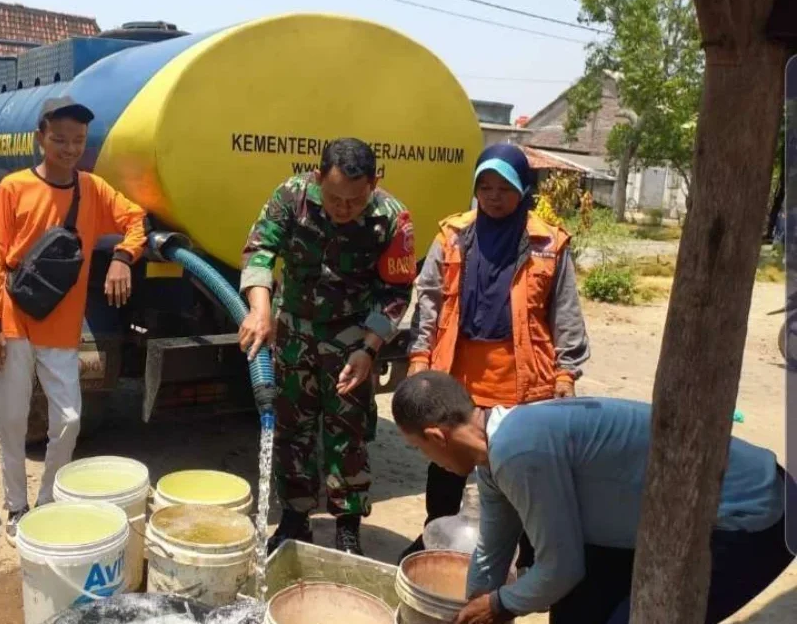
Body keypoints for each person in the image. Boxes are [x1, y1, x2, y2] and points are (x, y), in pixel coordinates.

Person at [390, 371, 793, 624]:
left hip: (749, 516)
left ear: (436, 437)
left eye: (420, 449)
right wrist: (478, 605)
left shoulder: (519, 450)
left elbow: (561, 568)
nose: (431, 462)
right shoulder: (493, 457)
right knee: (574, 612)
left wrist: (499, 606)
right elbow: (491, 553)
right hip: (654, 524)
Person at [401, 143, 590, 565]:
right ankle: (437, 536)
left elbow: (565, 313)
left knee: (516, 466)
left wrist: (566, 374)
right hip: (457, 373)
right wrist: (419, 358)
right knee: (448, 461)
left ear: (524, 188)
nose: (492, 196)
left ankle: (521, 554)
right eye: (484, 186)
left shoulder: (547, 242)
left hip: (521, 377)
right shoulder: (452, 235)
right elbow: (429, 299)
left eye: (503, 187)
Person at [0, 96, 147, 545]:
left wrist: (123, 259)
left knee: (69, 418)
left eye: (77, 141)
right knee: (11, 421)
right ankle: (16, 505)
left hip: (63, 325)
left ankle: (48, 501)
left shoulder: (92, 189)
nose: (69, 148)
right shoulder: (13, 188)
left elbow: (135, 220)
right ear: (41, 137)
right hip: (14, 318)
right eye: (60, 139)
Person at [239, 138, 417, 556]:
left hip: (352, 340)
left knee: (348, 435)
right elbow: (260, 251)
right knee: (292, 431)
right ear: (318, 178)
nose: (342, 208)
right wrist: (260, 310)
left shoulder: (392, 219)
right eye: (334, 197)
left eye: (354, 201)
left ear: (374, 183)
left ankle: (347, 529)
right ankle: (295, 519)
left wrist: (370, 348)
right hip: (294, 334)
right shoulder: (292, 196)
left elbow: (395, 292)